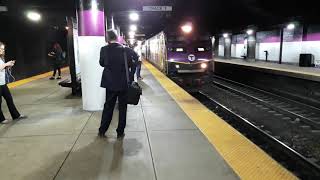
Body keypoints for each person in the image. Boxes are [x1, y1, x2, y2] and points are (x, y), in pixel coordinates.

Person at [98, 30, 138, 139]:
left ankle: (102, 130)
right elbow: (136, 59)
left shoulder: (104, 49)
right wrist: (131, 74)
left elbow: (101, 63)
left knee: (108, 107)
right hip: (123, 83)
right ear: (116, 37)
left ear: (107, 38)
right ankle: (120, 132)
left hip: (110, 83)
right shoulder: (126, 50)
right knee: (122, 108)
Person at [0, 41, 27, 124]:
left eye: (3, 49)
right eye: (1, 48)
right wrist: (6, 64)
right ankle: (1, 119)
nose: (3, 50)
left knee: (9, 99)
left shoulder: (1, 58)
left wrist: (8, 65)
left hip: (2, 83)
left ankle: (15, 115)